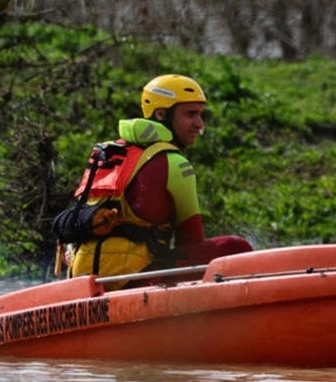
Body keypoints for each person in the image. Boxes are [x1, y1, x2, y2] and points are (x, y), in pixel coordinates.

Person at [54, 74, 253, 289]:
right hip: (133, 283)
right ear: (161, 114)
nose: (199, 124)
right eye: (191, 114)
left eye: (200, 115)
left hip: (83, 283)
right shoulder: (175, 163)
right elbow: (191, 240)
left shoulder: (106, 154)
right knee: (235, 246)